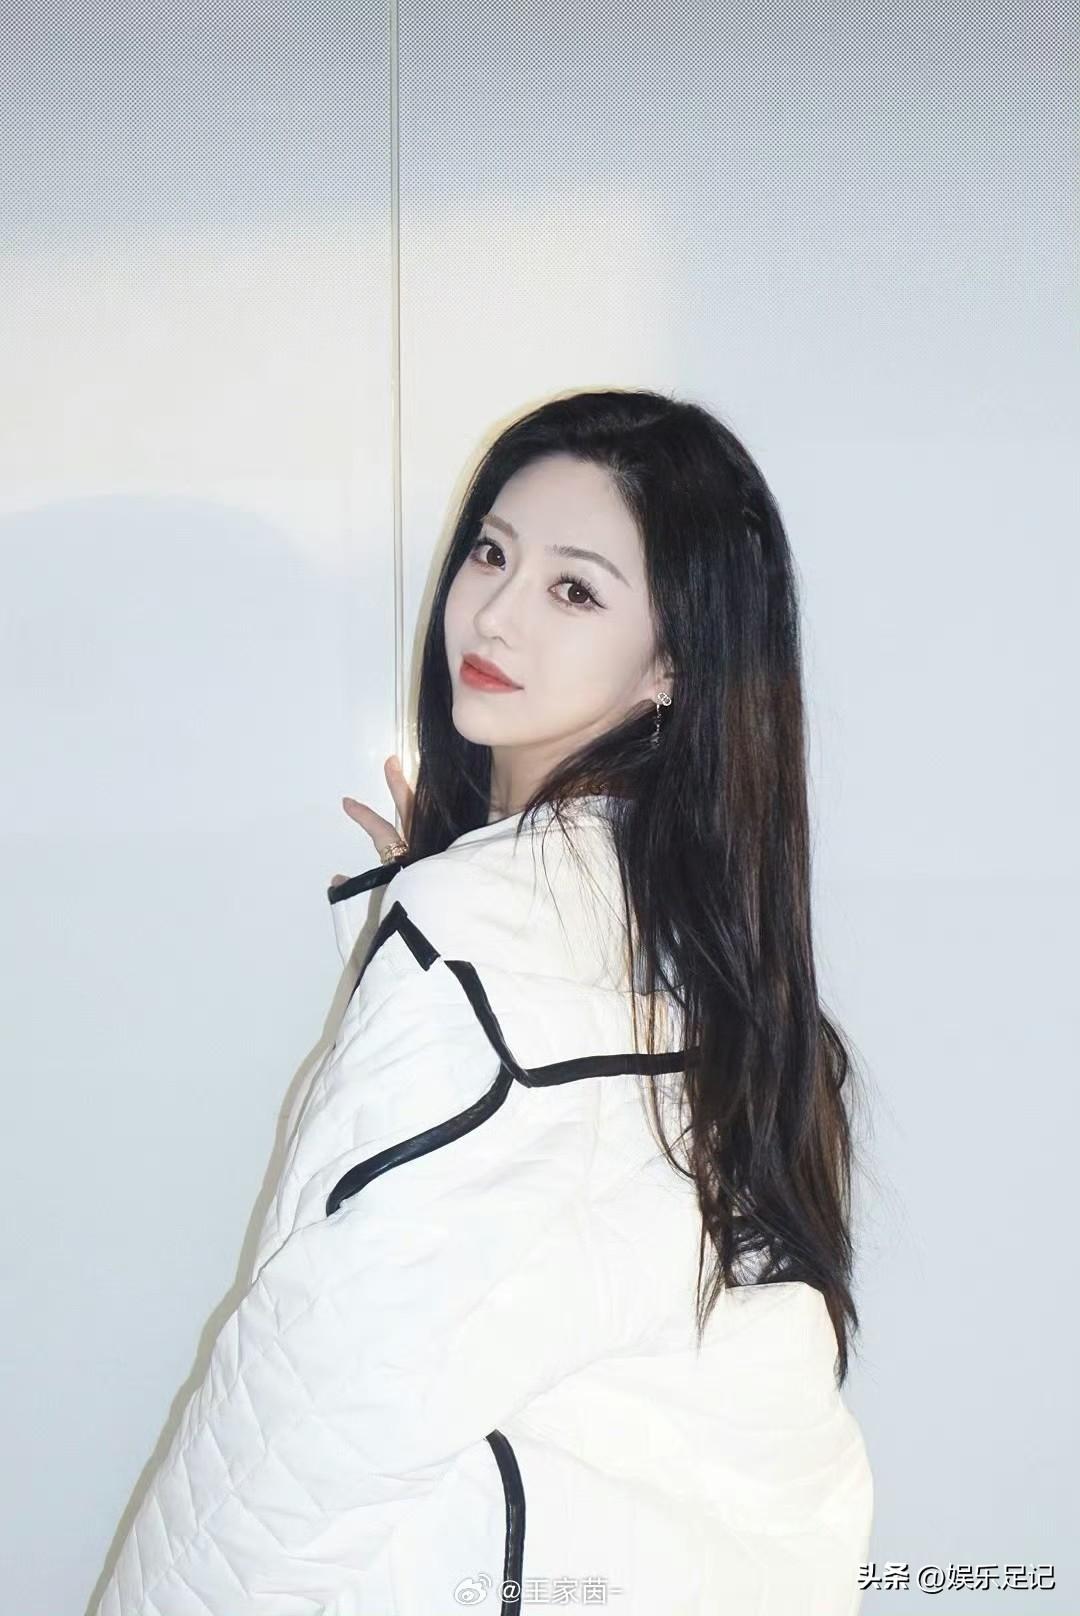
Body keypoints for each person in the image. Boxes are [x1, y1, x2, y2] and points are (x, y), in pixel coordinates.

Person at [93, 388, 874, 1615]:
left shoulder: (478, 932)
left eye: (575, 589)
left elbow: (321, 1405)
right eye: (492, 553)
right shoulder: (729, 967)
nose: (497, 612)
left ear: (673, 661)